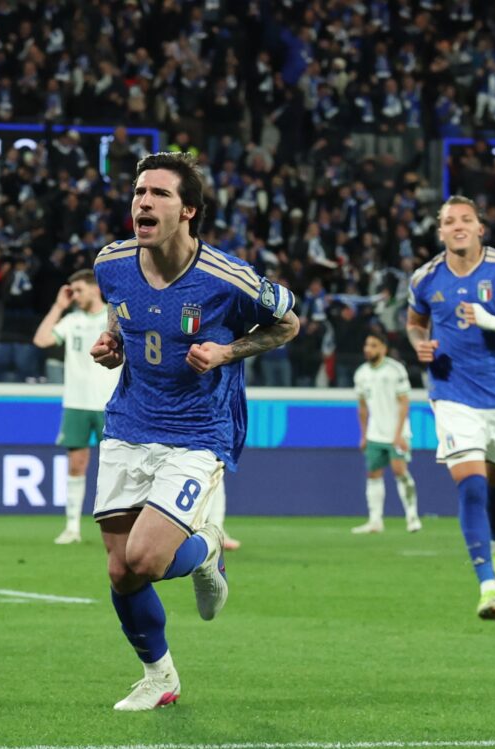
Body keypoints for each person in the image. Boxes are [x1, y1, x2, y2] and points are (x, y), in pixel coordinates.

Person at [90, 152, 298, 710]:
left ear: (188, 212)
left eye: (158, 193)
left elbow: (289, 321)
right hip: (128, 424)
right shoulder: (111, 261)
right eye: (139, 191)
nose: (143, 202)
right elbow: (121, 311)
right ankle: (159, 677)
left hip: (197, 431)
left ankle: (205, 551)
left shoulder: (224, 277)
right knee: (120, 570)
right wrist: (112, 343)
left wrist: (229, 349)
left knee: (150, 560)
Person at [407, 196, 495, 620]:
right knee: (471, 485)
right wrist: (420, 345)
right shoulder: (425, 278)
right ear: (441, 232)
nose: (458, 226)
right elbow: (415, 323)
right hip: (452, 395)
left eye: (466, 219)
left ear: (480, 228)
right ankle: (487, 585)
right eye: (449, 221)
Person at [33, 269, 121, 544]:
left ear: (95, 289)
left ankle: (121, 529)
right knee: (76, 464)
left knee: (118, 469)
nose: (75, 295)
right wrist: (59, 306)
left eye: (79, 290)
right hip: (77, 403)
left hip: (111, 403)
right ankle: (72, 527)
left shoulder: (115, 317)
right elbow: (41, 340)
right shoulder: (71, 320)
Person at [350, 331, 422, 534]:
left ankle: (412, 516)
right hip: (374, 433)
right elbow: (362, 408)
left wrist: (399, 435)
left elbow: (404, 403)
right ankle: (375, 521)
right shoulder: (361, 374)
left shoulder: (395, 370)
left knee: (400, 471)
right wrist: (363, 435)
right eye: (366, 345)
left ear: (383, 348)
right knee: (373, 474)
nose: (368, 349)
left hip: (396, 433)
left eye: (373, 345)